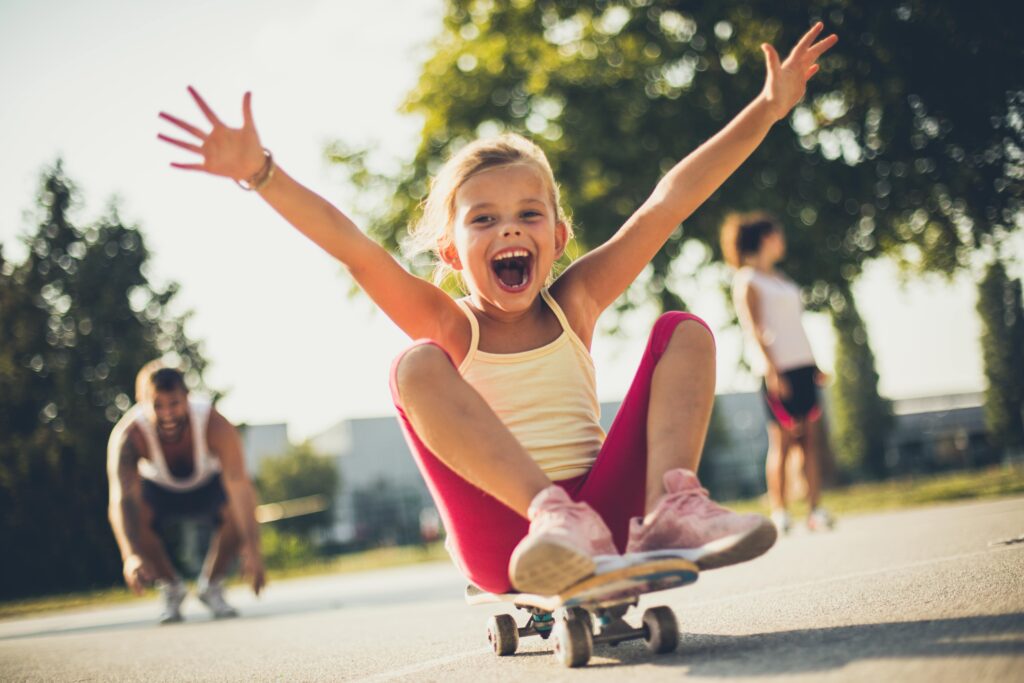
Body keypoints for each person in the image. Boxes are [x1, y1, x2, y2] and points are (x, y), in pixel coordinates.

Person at [158, 23, 836, 595]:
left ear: (558, 238)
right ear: (451, 252)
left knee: (682, 329)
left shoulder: (578, 299)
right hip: (509, 537)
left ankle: (673, 505)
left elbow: (669, 201)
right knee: (415, 364)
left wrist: (767, 111)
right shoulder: (456, 326)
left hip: (609, 513)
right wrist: (262, 173)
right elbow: (356, 249)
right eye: (484, 219)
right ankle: (550, 512)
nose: (509, 229)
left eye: (528, 214)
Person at [107, 362, 266, 623]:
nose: (168, 414)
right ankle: (171, 588)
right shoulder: (129, 436)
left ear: (188, 399)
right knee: (137, 514)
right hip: (159, 490)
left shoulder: (214, 424)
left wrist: (252, 548)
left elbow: (239, 485)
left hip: (206, 485)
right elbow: (121, 498)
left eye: (175, 404)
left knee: (238, 509)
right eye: (158, 405)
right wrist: (131, 555)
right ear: (142, 403)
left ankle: (212, 586)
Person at [721, 212, 835, 534]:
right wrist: (772, 370)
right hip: (777, 370)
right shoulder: (747, 281)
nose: (782, 241)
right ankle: (780, 512)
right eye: (778, 235)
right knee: (782, 442)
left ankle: (816, 510)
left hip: (802, 366)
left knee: (810, 440)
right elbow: (755, 329)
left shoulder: (781, 279)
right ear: (766, 238)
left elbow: (794, 326)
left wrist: (813, 364)